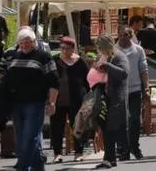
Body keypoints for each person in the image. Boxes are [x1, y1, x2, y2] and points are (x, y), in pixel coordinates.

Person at [1, 27, 59, 171]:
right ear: (18, 43)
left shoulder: (43, 57)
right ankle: (38, 165)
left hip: (35, 103)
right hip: (16, 103)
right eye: (22, 42)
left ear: (34, 42)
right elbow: (4, 78)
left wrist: (52, 102)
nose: (25, 45)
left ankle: (22, 166)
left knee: (30, 135)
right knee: (20, 138)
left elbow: (54, 81)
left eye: (28, 42)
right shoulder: (13, 56)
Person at [88, 35, 129, 169]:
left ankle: (112, 157)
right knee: (106, 129)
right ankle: (109, 158)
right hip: (105, 97)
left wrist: (107, 66)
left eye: (99, 47)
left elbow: (124, 73)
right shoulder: (105, 57)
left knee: (111, 128)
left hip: (116, 97)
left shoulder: (119, 56)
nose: (98, 50)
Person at [50, 36, 90, 164]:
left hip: (77, 99)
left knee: (77, 126)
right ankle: (57, 154)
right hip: (58, 99)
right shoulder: (55, 61)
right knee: (57, 127)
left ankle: (78, 152)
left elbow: (88, 80)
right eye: (62, 48)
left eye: (68, 48)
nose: (65, 51)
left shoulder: (80, 62)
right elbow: (50, 79)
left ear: (73, 48)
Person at [116, 27, 149, 161]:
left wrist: (146, 88)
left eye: (127, 34)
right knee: (121, 121)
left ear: (131, 36)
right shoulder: (113, 50)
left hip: (135, 90)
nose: (124, 37)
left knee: (135, 120)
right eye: (121, 34)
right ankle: (123, 149)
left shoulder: (138, 50)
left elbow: (144, 69)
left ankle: (135, 147)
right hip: (119, 91)